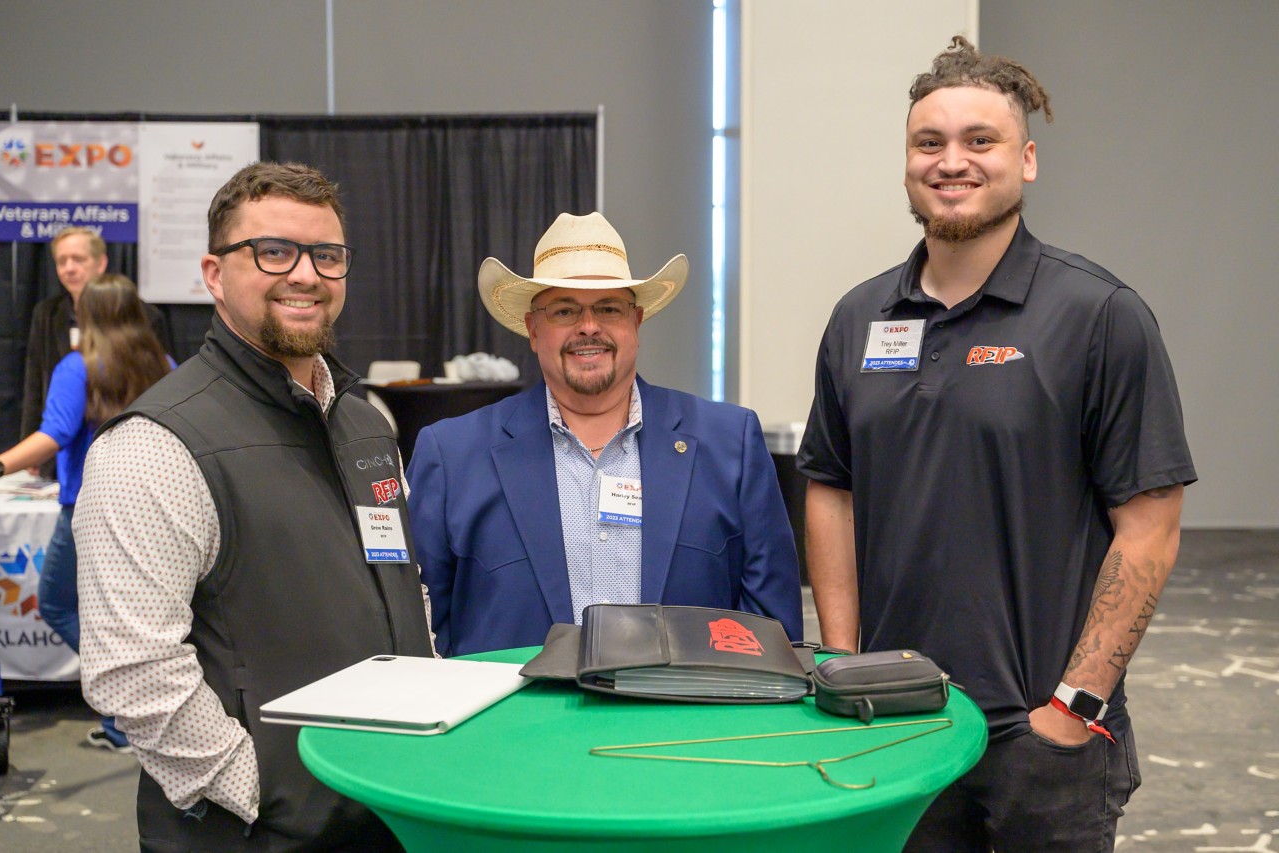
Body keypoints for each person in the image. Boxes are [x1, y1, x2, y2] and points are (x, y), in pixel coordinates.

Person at [797, 37, 1196, 850]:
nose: (953, 162)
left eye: (980, 140)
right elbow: (830, 487)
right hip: (896, 721)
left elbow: (1150, 525)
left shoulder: (1099, 315)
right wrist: (843, 664)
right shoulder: (859, 319)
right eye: (929, 142)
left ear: (1028, 158)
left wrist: (1075, 705)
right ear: (907, 160)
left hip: (1040, 736)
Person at [75, 161, 435, 850]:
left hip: (384, 812)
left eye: (326, 255)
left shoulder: (365, 425)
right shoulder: (154, 444)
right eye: (274, 251)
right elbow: (132, 670)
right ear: (214, 275)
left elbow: (403, 591)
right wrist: (264, 792)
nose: (306, 274)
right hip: (258, 832)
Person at [406, 211, 802, 657]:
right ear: (533, 330)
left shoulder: (729, 444)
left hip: (684, 723)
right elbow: (418, 632)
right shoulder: (453, 455)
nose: (588, 326)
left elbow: (773, 633)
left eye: (608, 308)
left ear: (636, 322)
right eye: (564, 310)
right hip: (516, 723)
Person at [0, 274, 173, 753]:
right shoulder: (166, 365)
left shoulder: (78, 367)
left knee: (57, 606)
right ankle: (133, 714)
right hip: (151, 507)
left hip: (88, 509)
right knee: (132, 615)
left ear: (87, 318)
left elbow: (53, 433)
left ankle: (126, 711)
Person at [21, 227, 170, 478]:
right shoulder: (46, 313)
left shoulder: (145, 317)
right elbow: (35, 381)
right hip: (57, 453)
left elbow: (161, 386)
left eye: (78, 259)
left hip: (122, 451)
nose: (69, 268)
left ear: (101, 263)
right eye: (61, 261)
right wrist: (31, 447)